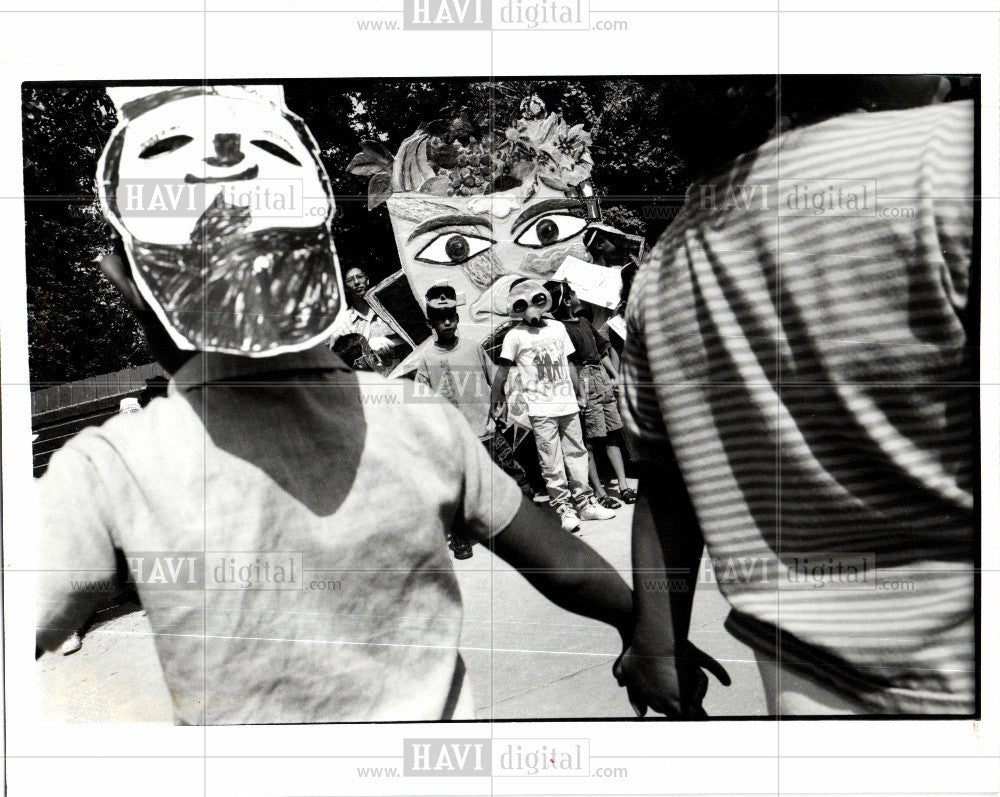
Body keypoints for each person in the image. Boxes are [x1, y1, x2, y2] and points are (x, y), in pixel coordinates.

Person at [36, 84, 637, 725]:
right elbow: (563, 563)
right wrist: (648, 632)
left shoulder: (113, 466)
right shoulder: (416, 418)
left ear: (126, 282)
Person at [615, 77, 975, 717]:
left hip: (806, 693)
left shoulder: (665, 267)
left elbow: (665, 486)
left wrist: (659, 647)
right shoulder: (953, 152)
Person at [413, 284, 531, 559]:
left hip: (487, 431)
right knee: (457, 492)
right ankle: (461, 537)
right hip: (456, 440)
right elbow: (422, 402)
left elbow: (496, 381)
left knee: (513, 476)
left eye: (451, 315)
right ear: (430, 321)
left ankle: (529, 528)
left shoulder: (473, 348)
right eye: (440, 317)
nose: (447, 322)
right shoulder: (427, 359)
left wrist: (500, 404)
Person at [491, 278, 616, 533]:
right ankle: (564, 509)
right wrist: (497, 401)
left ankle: (585, 503)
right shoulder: (514, 336)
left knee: (577, 453)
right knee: (551, 460)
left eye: (536, 300)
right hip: (540, 409)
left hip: (567, 403)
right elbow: (502, 373)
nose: (532, 310)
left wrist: (579, 393)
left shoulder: (558, 328)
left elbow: (569, 363)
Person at [547, 280, 636, 508]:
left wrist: (614, 374)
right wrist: (579, 392)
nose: (578, 295)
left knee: (612, 432)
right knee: (590, 439)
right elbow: (570, 363)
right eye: (574, 293)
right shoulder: (560, 329)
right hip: (583, 379)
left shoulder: (584, 321)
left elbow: (601, 351)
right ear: (567, 301)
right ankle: (599, 491)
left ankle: (624, 486)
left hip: (600, 378)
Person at [329, 266, 401, 360]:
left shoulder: (387, 307)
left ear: (367, 280)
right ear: (345, 288)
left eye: (359, 277)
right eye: (350, 280)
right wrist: (367, 347)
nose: (356, 282)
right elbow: (336, 357)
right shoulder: (343, 321)